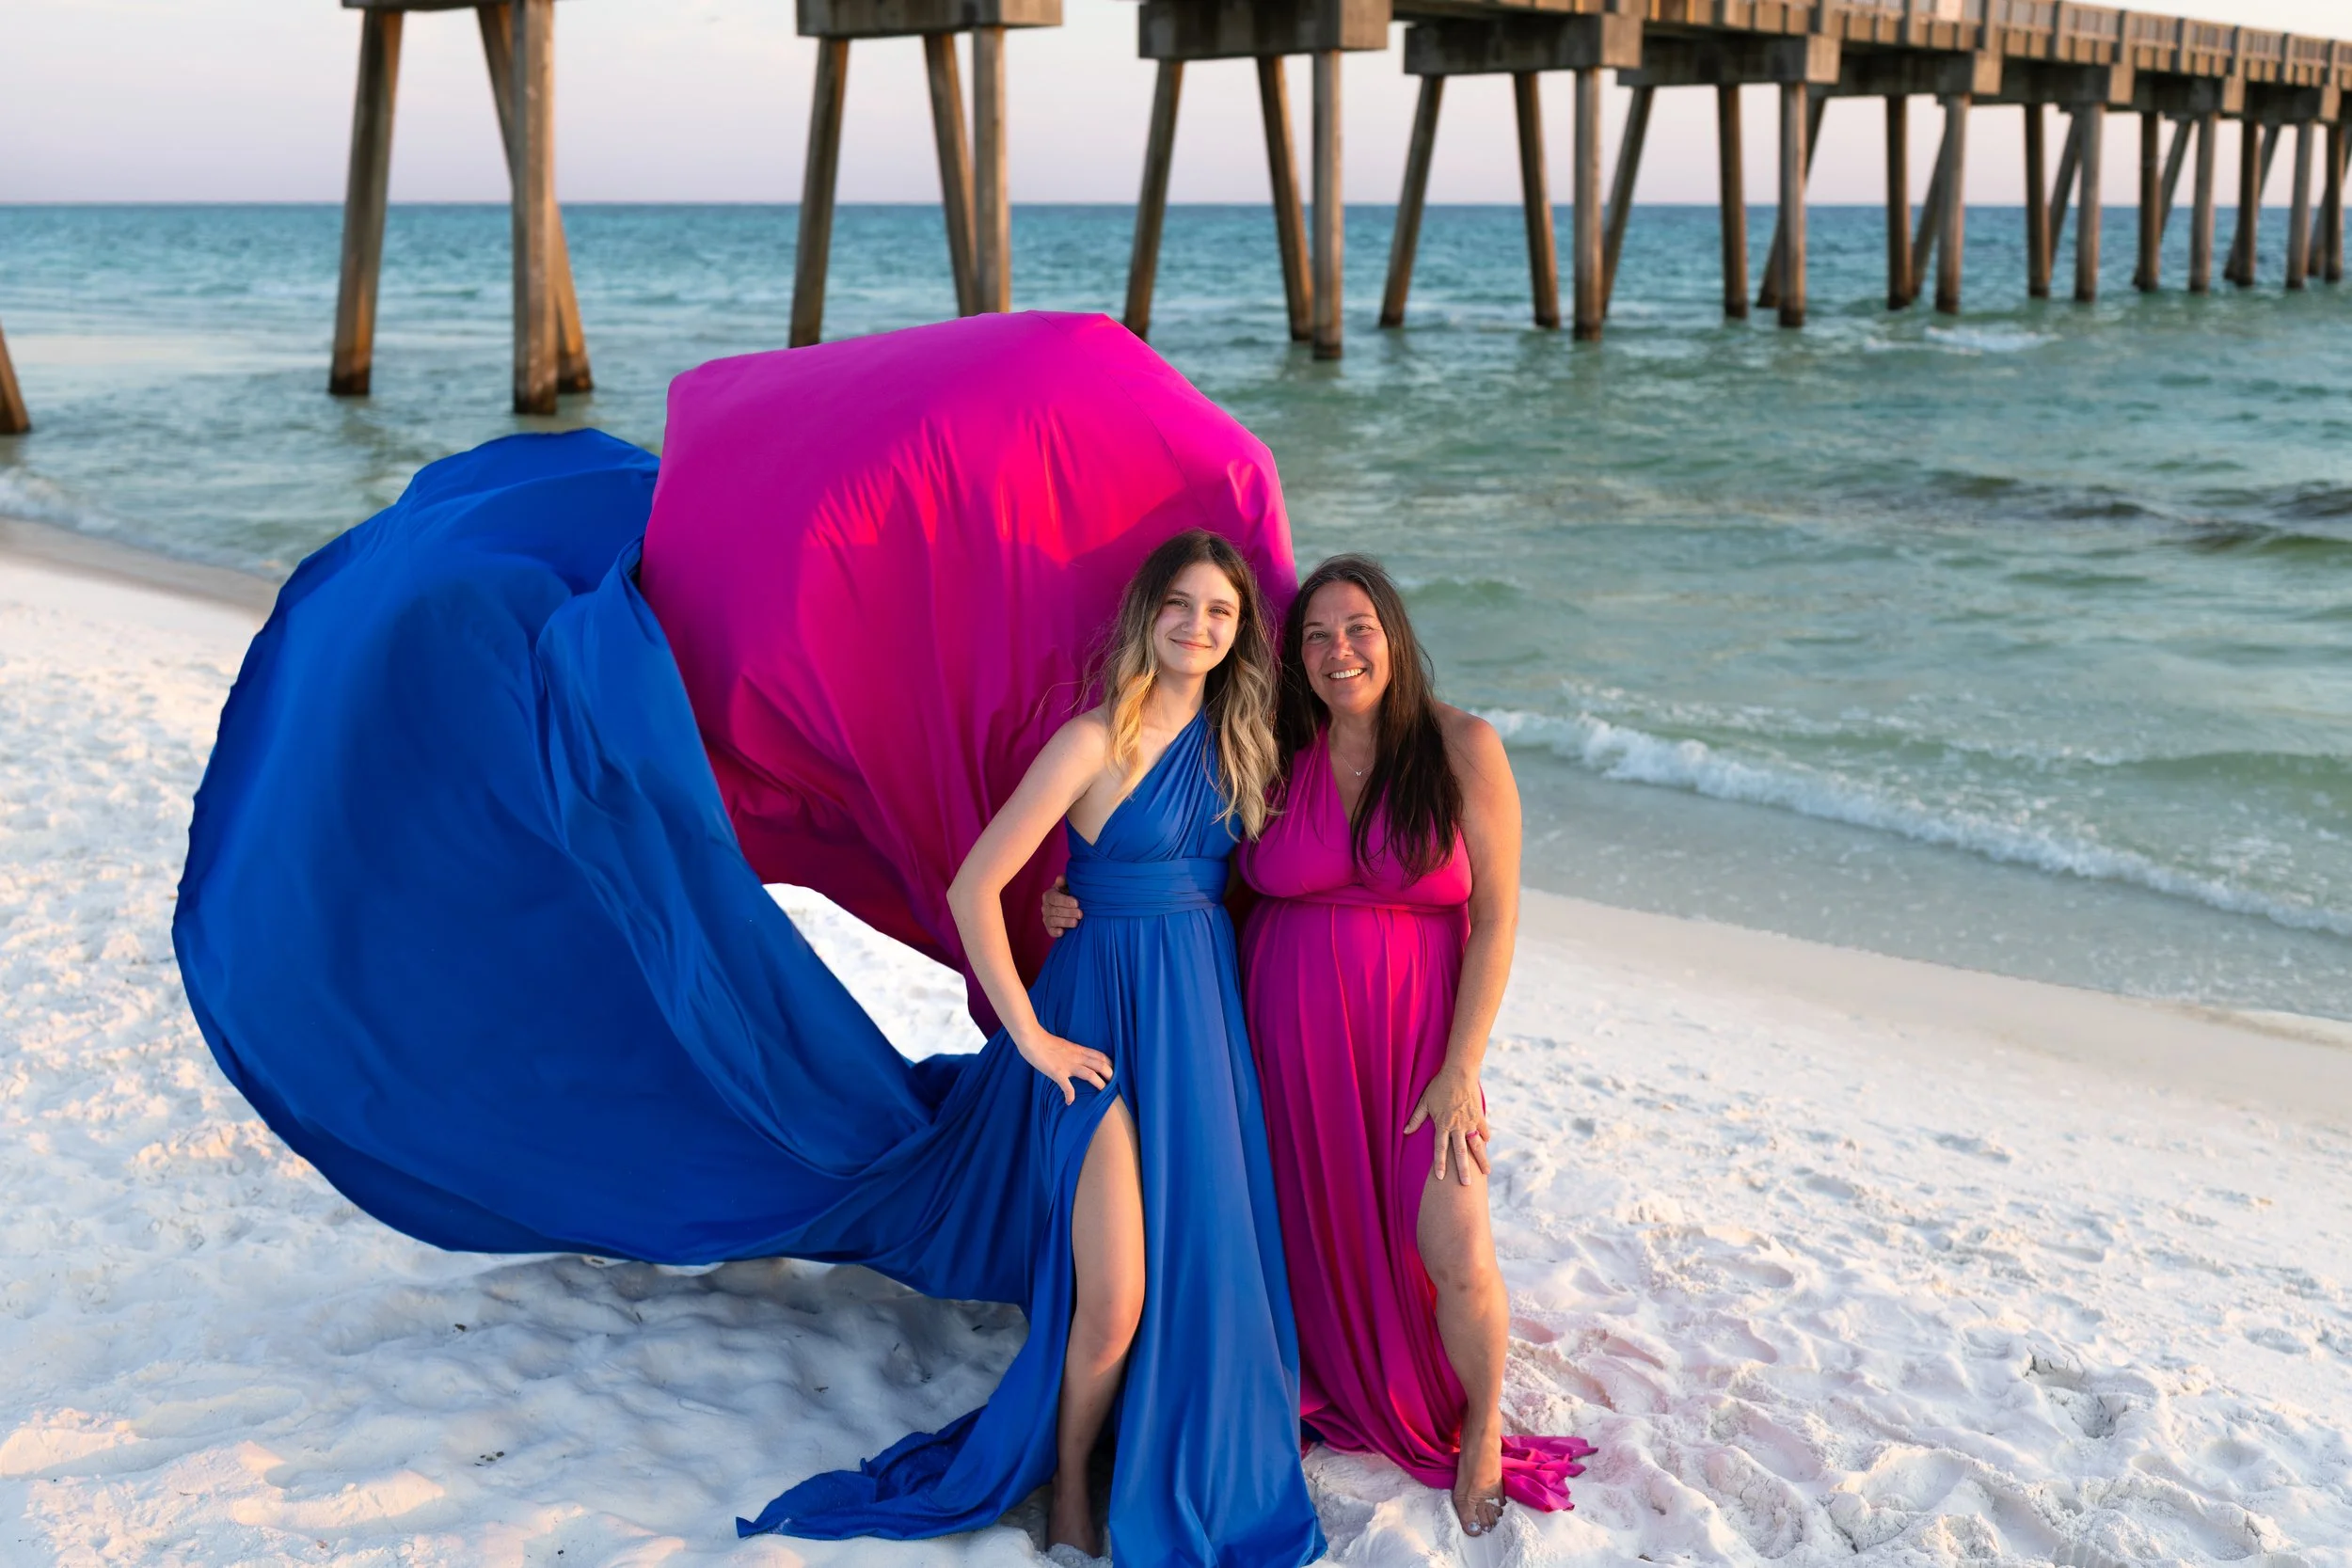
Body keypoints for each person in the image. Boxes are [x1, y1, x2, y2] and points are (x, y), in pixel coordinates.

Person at [1046, 553, 1594, 1535]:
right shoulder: (1266, 748)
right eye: (1315, 635)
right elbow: (1189, 865)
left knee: (1454, 1242)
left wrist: (1462, 1065)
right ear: (1295, 657)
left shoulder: (1461, 745)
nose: (1339, 651)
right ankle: (1284, 1384)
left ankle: (1478, 1423)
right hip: (1279, 1037)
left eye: (1357, 629)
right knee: (1292, 1234)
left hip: (1416, 1044)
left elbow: (1500, 918)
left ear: (1394, 637)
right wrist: (1077, 893)